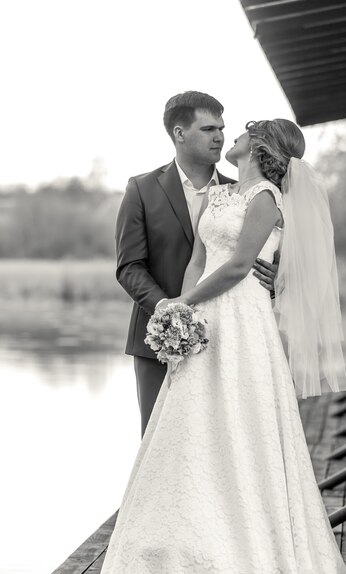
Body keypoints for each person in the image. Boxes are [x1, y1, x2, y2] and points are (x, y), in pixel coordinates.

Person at [96, 118, 346, 574]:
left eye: (235, 132)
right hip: (203, 313)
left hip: (241, 318)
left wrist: (185, 302)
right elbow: (199, 257)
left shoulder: (267, 198)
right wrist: (180, 307)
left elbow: (239, 266)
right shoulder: (220, 197)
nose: (226, 137)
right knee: (189, 426)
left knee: (239, 424)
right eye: (215, 128)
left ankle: (248, 551)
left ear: (257, 147)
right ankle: (176, 546)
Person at [115, 91, 278, 436]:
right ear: (179, 133)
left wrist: (275, 278)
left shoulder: (248, 191)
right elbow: (129, 266)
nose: (219, 136)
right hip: (158, 339)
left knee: (223, 441)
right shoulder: (142, 189)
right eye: (207, 129)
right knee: (159, 442)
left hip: (229, 340)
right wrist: (167, 311)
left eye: (221, 128)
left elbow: (263, 260)